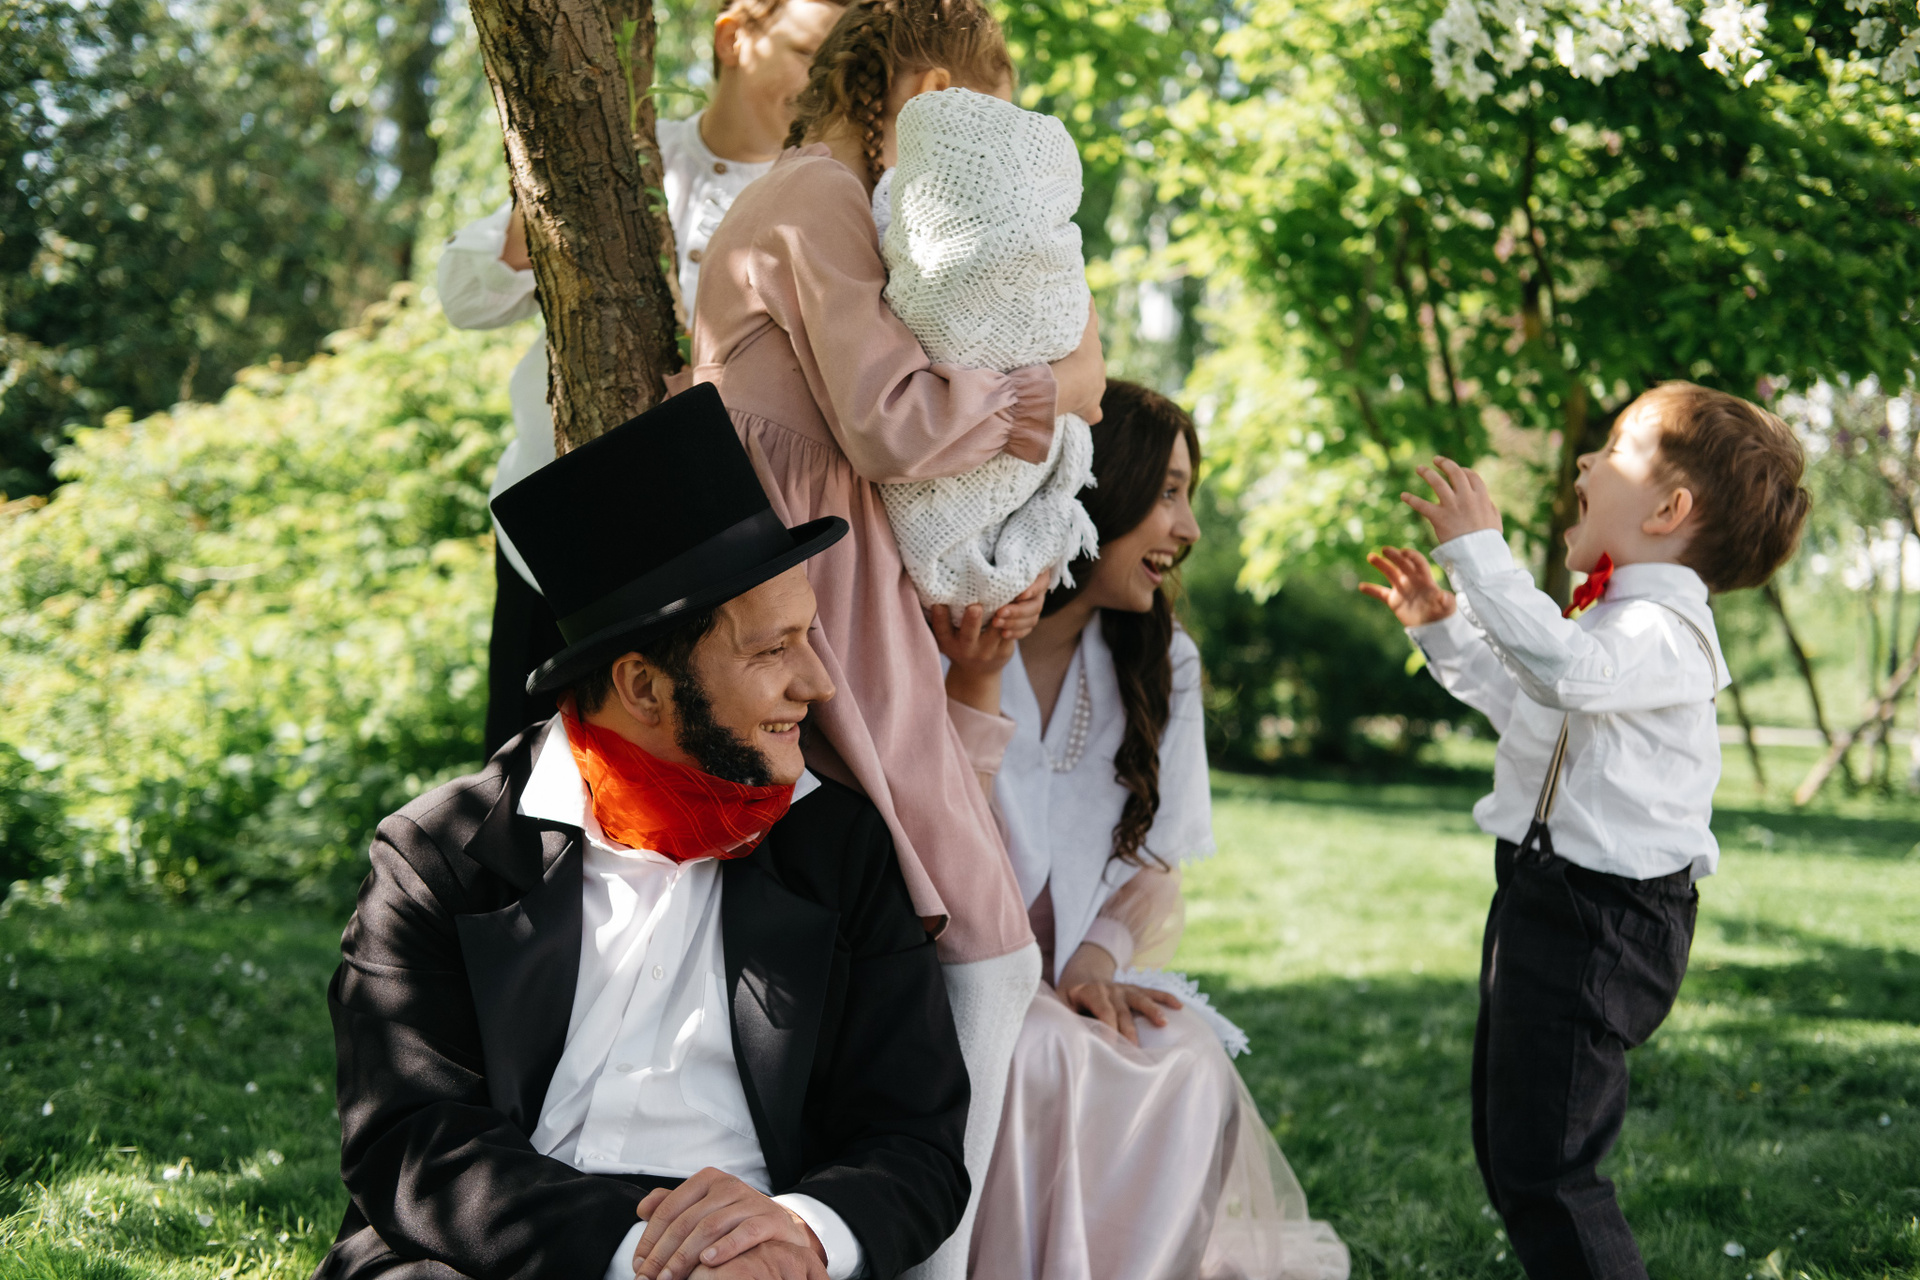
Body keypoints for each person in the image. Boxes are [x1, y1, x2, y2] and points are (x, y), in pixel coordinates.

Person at [312, 385, 970, 1280]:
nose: (817, 683)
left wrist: (793, 1235)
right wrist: (644, 1257)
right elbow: (412, 1139)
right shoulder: (442, 859)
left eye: (807, 637)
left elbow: (913, 1139)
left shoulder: (839, 852)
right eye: (771, 650)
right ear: (645, 687)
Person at [689, 4, 1107, 1274]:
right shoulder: (815, 197)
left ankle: (893, 1223)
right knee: (985, 930)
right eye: (984, 109)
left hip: (818, 552)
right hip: (803, 560)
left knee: (933, 893)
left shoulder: (813, 202)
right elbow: (890, 421)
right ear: (924, 93)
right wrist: (1039, 400)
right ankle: (930, 1243)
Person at [1360, 382, 1811, 1279]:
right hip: (1542, 898)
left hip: (1602, 919)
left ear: (1668, 510)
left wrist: (1480, 556)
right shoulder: (1605, 625)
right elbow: (1532, 700)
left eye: (1614, 449)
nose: (1585, 461)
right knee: (1513, 1150)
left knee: (1551, 1170)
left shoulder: (1665, 631)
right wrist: (1447, 630)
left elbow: (1565, 674)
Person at [948, 381, 1350, 1280]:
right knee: (1042, 1051)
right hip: (951, 964)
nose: (1189, 527)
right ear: (1101, 490)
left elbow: (1154, 865)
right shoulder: (957, 636)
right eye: (1168, 492)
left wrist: (1094, 965)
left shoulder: (1164, 661)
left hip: (1073, 964)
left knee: (1184, 1053)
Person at [436, 0, 848, 758]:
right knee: (531, 779)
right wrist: (562, 202)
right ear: (735, 37)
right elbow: (464, 295)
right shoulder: (628, 153)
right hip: (552, 545)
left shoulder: (830, 199)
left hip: (720, 580)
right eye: (806, 52)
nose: (826, 79)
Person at [873, 86, 1098, 614]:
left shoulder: (881, 212)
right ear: (936, 80)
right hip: (928, 519)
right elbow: (1090, 393)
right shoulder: (871, 207)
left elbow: (1092, 388)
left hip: (905, 542)